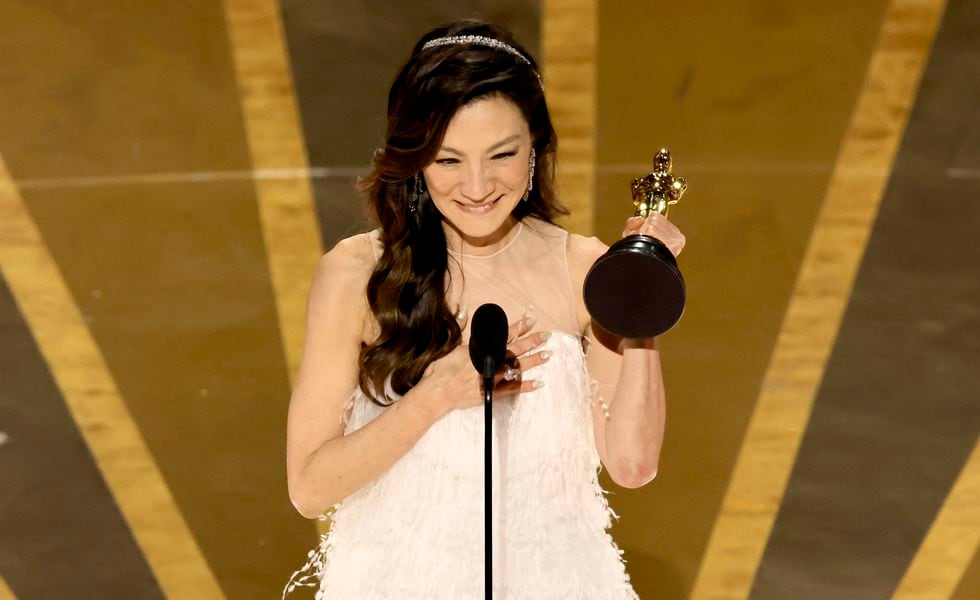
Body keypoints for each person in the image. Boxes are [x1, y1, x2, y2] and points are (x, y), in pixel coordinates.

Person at [283, 20, 685, 600]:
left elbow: (631, 463)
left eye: (501, 154)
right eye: (448, 161)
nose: (476, 186)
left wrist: (640, 293)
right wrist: (437, 394)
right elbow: (309, 487)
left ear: (536, 148)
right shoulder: (357, 275)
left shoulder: (582, 268)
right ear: (416, 161)